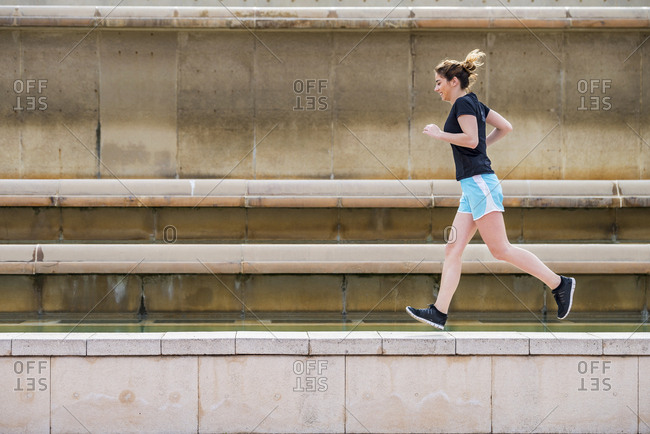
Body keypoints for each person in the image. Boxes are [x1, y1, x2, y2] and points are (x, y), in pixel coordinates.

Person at [406, 49, 575, 330]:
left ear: (452, 81)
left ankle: (559, 283)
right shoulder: (475, 103)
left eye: (438, 82)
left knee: (500, 249)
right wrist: (480, 145)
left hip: (480, 183)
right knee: (453, 249)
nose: (436, 88)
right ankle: (439, 312)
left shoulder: (462, 105)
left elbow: (472, 140)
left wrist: (440, 135)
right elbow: (505, 127)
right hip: (472, 186)